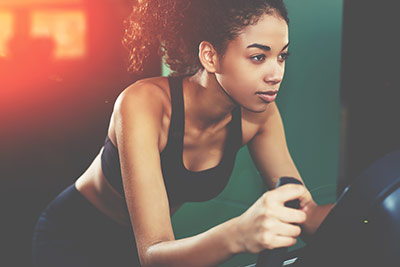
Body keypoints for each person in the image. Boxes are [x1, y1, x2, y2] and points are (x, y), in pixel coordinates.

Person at [32, 0, 334, 266]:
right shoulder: (143, 105)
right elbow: (152, 254)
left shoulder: (261, 118)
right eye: (258, 57)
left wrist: (368, 201)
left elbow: (306, 216)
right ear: (210, 56)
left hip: (142, 246)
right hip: (75, 236)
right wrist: (240, 234)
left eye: (282, 57)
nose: (276, 74)